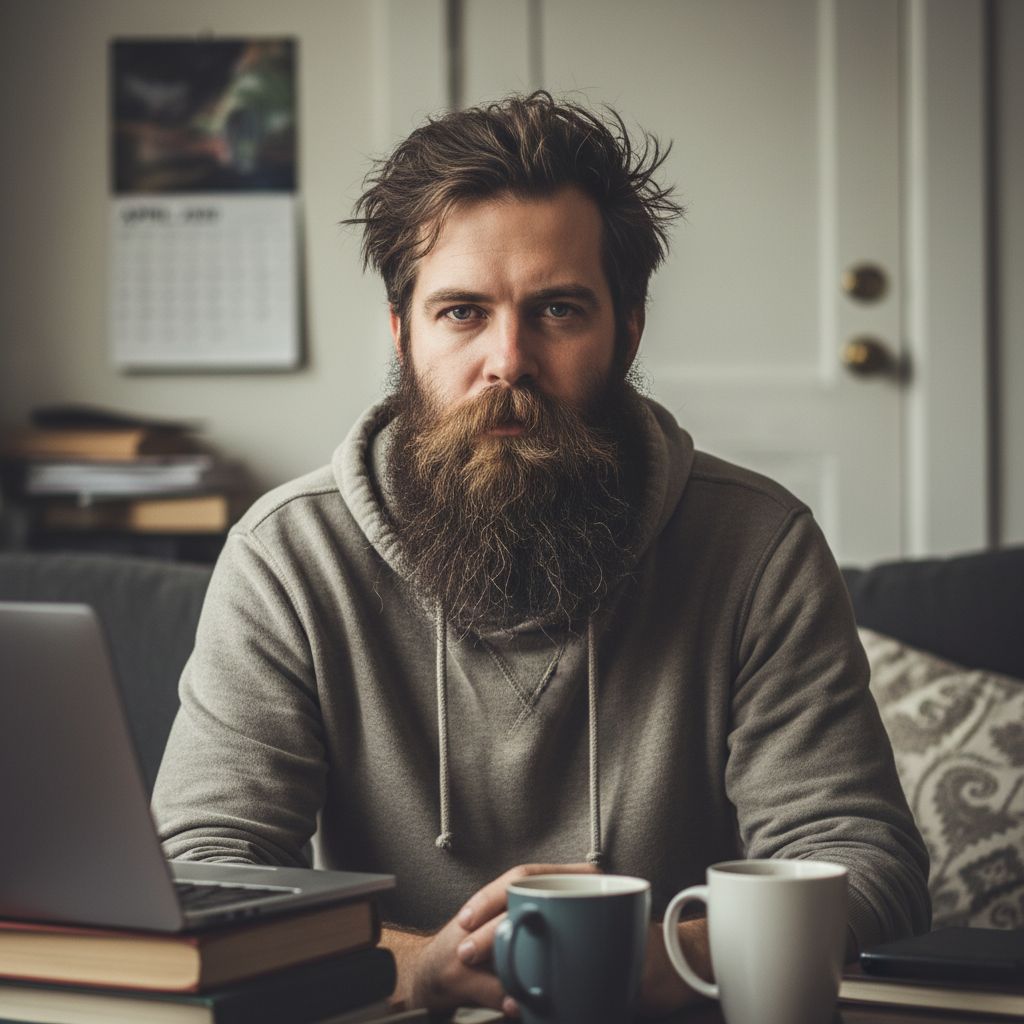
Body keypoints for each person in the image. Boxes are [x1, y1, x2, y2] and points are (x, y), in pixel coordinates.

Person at [153, 92, 930, 1016]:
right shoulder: (287, 557)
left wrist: (669, 957)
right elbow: (206, 871)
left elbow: (861, 858)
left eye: (558, 309)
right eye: (462, 313)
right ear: (402, 334)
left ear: (628, 330)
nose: (509, 360)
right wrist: (416, 967)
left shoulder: (758, 547)